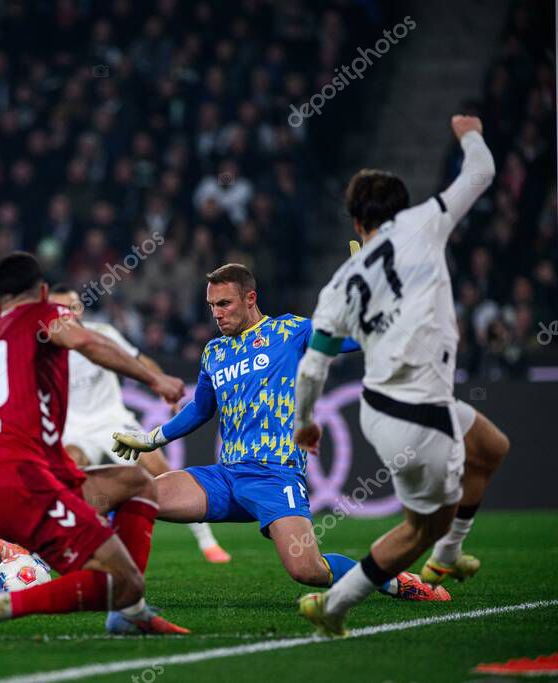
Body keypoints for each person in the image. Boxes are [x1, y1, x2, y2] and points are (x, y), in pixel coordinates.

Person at [112, 264, 450, 603]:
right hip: (226, 476)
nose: (216, 314)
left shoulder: (290, 331)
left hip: (275, 475)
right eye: (212, 305)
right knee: (140, 495)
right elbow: (201, 409)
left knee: (308, 570)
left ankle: (393, 581)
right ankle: (108, 586)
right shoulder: (214, 352)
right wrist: (151, 439)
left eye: (224, 304)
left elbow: (348, 339)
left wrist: (372, 310)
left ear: (250, 299)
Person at [292, 115, 502, 636]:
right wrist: (468, 130)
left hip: (394, 405)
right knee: (419, 528)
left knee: (491, 447)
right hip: (416, 413)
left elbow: (314, 364)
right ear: (400, 205)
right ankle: (334, 606)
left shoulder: (341, 282)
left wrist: (305, 422)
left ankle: (449, 555)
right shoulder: (425, 221)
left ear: (354, 220)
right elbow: (481, 171)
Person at [0, 251, 190, 640]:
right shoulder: (39, 315)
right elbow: (88, 341)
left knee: (136, 482)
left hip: (15, 476)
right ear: (42, 292)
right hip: (27, 482)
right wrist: (153, 379)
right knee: (124, 582)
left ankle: (129, 615)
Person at [47, 284, 229, 564]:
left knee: (160, 469)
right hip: (74, 427)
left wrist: (160, 384)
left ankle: (206, 540)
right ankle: (75, 546)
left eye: (70, 307)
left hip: (112, 420)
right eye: (59, 309)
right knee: (69, 478)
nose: (66, 314)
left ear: (79, 309)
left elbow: (138, 360)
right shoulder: (45, 345)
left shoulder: (103, 334)